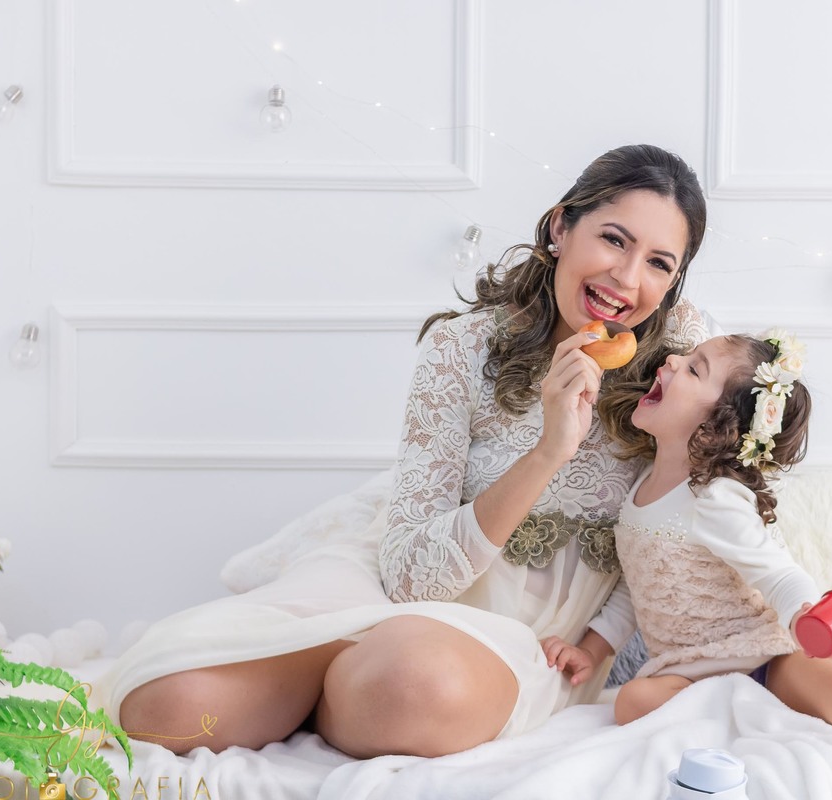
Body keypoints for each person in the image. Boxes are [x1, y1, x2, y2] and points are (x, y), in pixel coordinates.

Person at [93, 143, 711, 758]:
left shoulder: (682, 359)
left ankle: (343, 689)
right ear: (560, 227)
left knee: (411, 688)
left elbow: (680, 527)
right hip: (401, 579)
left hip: (524, 638)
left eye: (659, 262)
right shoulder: (462, 347)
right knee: (165, 709)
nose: (628, 279)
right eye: (613, 239)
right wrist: (547, 450)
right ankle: (329, 667)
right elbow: (413, 577)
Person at [540, 331, 832, 729]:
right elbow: (635, 591)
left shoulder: (715, 499)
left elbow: (778, 574)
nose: (672, 361)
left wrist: (803, 619)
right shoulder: (639, 490)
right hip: (685, 673)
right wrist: (593, 650)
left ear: (714, 428)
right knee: (633, 704)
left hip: (762, 660)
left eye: (694, 369)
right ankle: (780, 718)